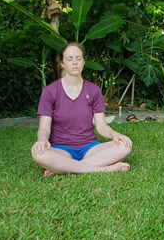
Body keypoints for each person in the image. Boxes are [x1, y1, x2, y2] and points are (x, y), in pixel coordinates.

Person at [31, 42, 132, 176]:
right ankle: (104, 168)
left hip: (89, 148)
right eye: (70, 59)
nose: (75, 62)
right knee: (39, 154)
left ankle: (61, 168)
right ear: (62, 63)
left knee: (125, 146)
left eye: (78, 58)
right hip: (61, 149)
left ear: (84, 61)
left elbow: (101, 126)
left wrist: (115, 135)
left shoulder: (93, 90)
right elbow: (44, 128)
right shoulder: (50, 91)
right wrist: (42, 140)